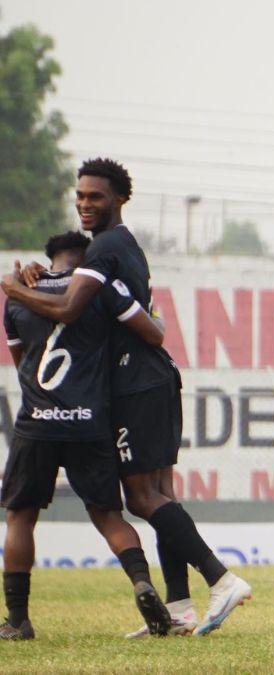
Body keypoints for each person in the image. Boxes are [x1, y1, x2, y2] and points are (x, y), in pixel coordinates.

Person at [0, 158, 251, 637]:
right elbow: (151, 325)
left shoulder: (103, 251)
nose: (84, 204)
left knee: (140, 497)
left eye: (95, 196)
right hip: (148, 380)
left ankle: (221, 578)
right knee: (157, 496)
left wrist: (12, 288)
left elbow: (72, 309)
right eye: (80, 196)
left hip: (136, 383)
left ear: (118, 199)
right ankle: (179, 608)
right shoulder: (123, 247)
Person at [1, 232, 172, 639]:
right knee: (108, 515)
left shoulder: (20, 294)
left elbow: (23, 362)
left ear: (50, 258)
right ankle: (142, 584)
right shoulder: (98, 292)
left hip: (37, 421)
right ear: (87, 261)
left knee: (20, 516)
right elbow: (143, 335)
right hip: (90, 420)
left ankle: (17, 621)